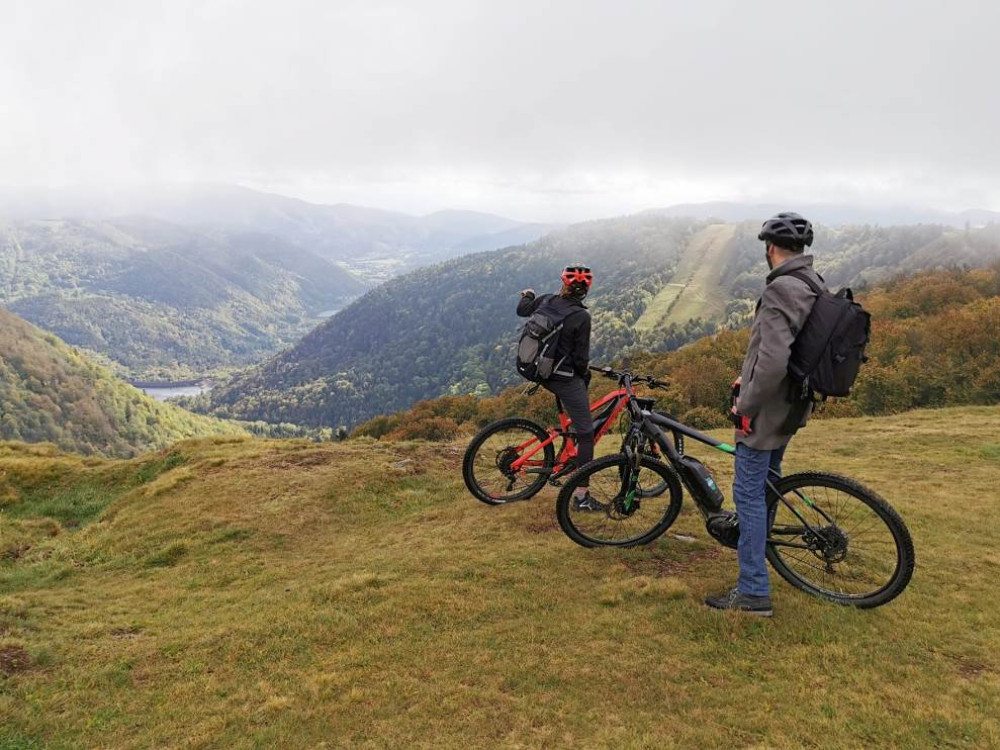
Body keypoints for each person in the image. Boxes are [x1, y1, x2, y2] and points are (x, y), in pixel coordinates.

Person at [705, 212, 826, 616]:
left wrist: (746, 404)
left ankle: (754, 590)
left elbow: (772, 360)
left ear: (770, 249)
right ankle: (761, 562)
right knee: (768, 485)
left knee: (749, 495)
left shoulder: (780, 289)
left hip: (768, 408)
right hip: (793, 404)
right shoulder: (812, 282)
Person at [517, 264, 599, 510]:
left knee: (577, 416)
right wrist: (584, 376)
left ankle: (566, 444)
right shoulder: (581, 316)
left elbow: (522, 310)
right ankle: (582, 498)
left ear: (563, 283)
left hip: (536, 369)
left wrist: (528, 294)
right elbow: (581, 359)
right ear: (586, 290)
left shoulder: (545, 300)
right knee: (587, 434)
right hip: (561, 377)